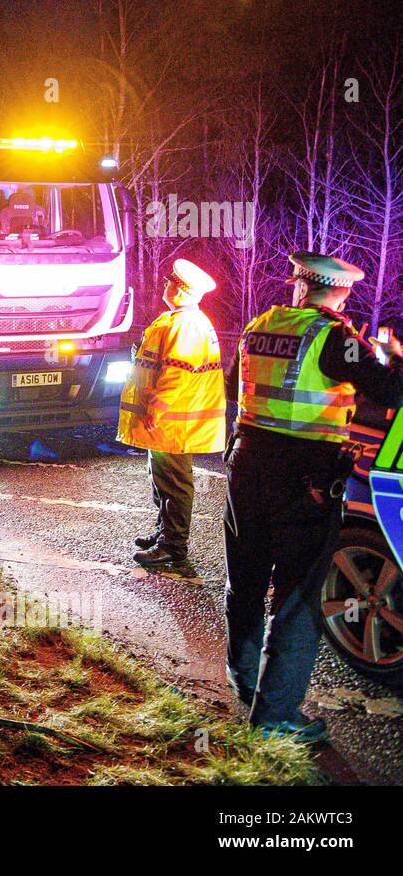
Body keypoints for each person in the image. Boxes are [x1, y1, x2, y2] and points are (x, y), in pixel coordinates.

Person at [224, 252, 403, 742]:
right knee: (298, 594)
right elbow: (392, 391)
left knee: (245, 578)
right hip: (304, 479)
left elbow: (233, 388)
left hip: (247, 465)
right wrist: (391, 352)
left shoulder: (260, 325)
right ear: (342, 293)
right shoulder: (335, 336)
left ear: (298, 284)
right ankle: (276, 716)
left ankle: (244, 681)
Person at [117, 259, 226, 566]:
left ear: (180, 290)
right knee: (162, 479)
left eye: (169, 282)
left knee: (175, 484)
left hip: (174, 421)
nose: (165, 286)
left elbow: (177, 373)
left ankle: (174, 545)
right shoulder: (179, 320)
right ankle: (164, 532)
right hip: (170, 422)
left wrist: (158, 408)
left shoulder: (186, 324)